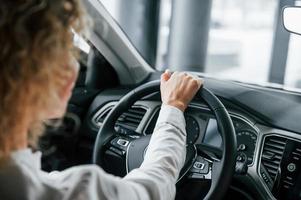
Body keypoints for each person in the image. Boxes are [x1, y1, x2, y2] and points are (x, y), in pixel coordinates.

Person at [0, 0, 203, 200]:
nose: (74, 65)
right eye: (66, 47)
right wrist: (173, 106)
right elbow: (155, 187)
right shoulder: (71, 192)